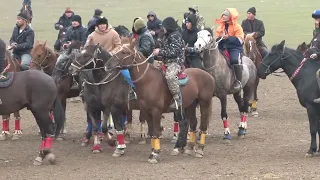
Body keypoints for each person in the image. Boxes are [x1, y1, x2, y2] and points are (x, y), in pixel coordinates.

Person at [153, 17, 185, 109]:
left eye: (164, 27)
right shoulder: (167, 36)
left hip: (175, 62)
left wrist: (160, 52)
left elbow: (173, 52)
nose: (163, 29)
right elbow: (165, 48)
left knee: (170, 77)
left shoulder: (176, 36)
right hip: (166, 61)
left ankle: (177, 99)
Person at [215, 8, 244, 90]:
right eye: (223, 15)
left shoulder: (237, 27)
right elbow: (217, 39)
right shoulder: (220, 27)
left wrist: (228, 37)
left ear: (230, 17)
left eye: (225, 15)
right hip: (222, 47)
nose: (223, 16)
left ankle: (238, 81)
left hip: (234, 48)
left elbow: (240, 40)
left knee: (234, 60)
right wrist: (219, 38)